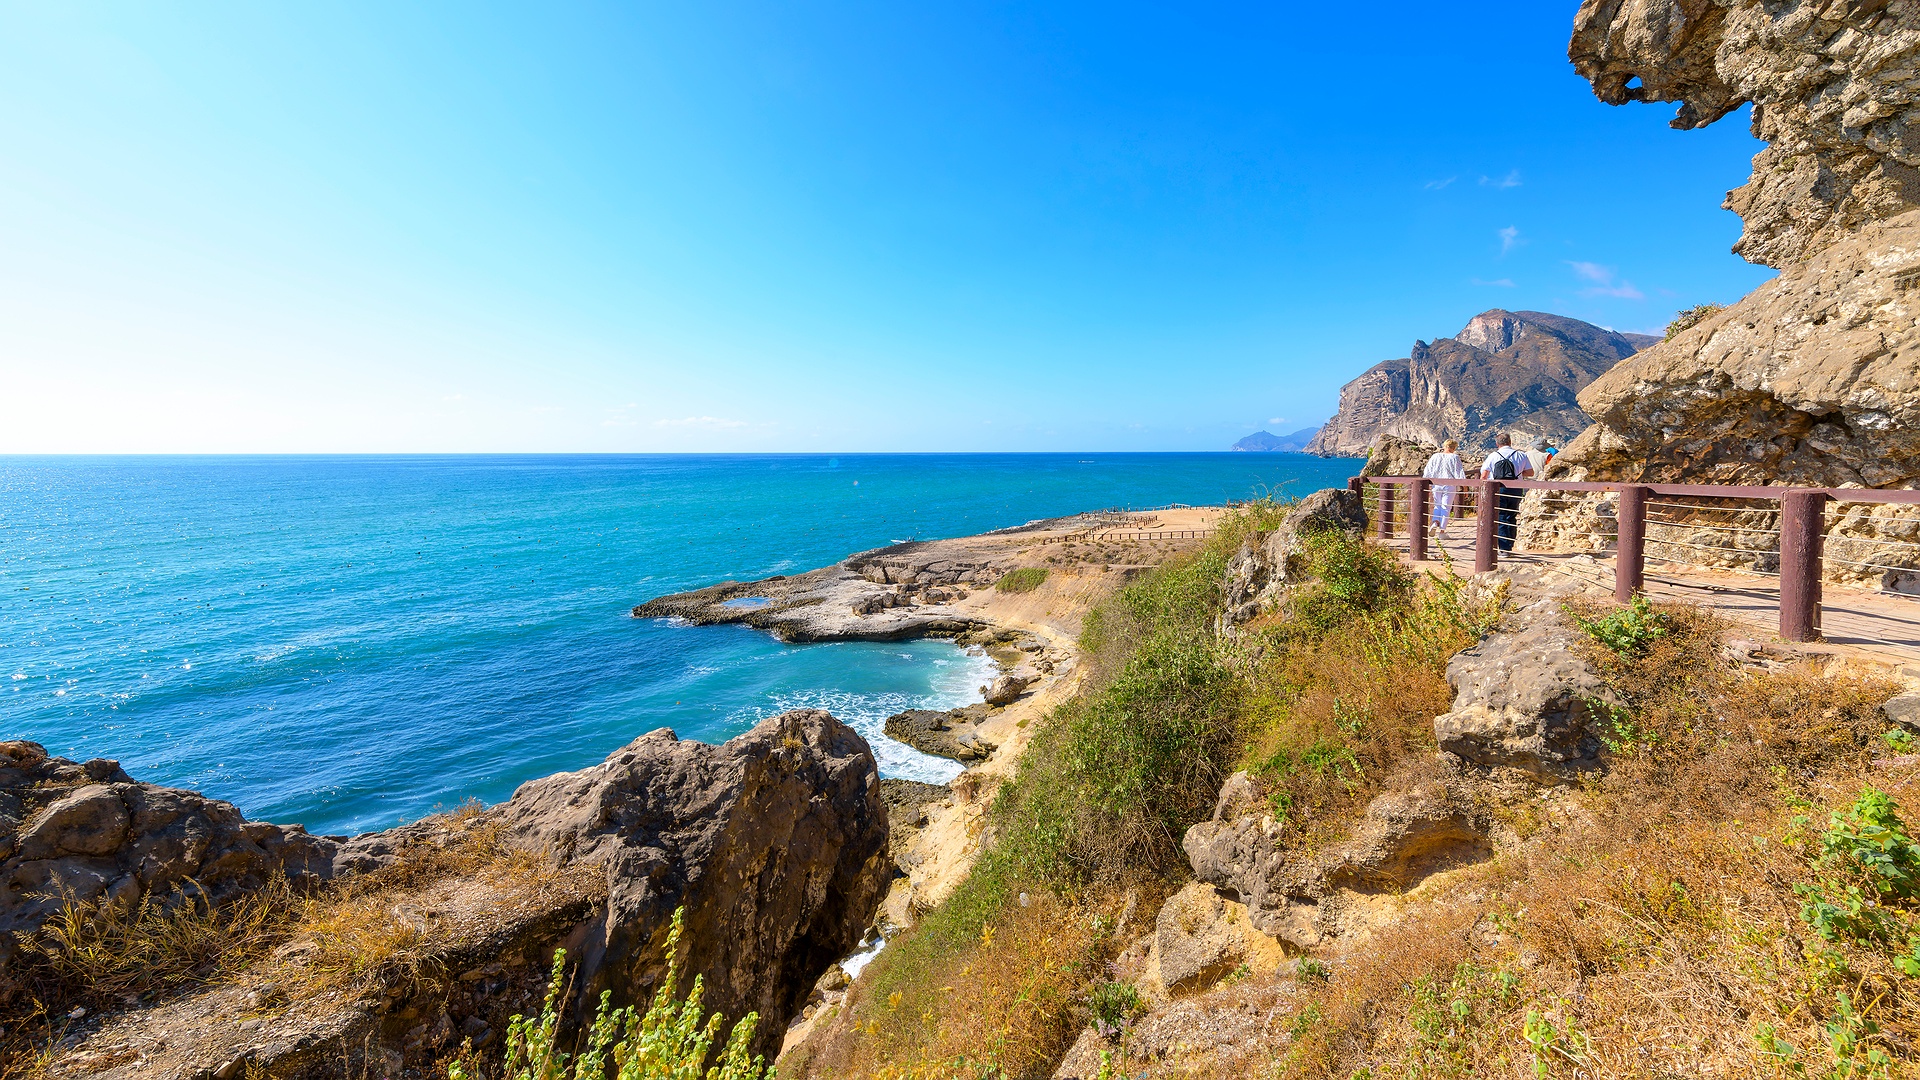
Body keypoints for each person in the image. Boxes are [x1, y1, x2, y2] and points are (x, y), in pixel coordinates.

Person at [1479, 434, 1533, 552]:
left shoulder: (1493, 456)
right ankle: (1510, 544)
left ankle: (1503, 548)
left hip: (1498, 489)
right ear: (1510, 442)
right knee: (1512, 516)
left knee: (1501, 516)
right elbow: (1530, 473)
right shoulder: (1520, 455)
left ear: (1497, 444)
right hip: (1516, 489)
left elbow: (1484, 475)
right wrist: (1517, 473)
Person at [1422, 439, 1466, 533]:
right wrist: (1465, 488)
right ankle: (1442, 531)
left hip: (1436, 484)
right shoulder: (1454, 457)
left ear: (1444, 446)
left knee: (1437, 505)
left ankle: (1435, 522)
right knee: (1446, 507)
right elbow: (1459, 473)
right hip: (1449, 485)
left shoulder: (1435, 456)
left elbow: (1427, 471)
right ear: (1453, 448)